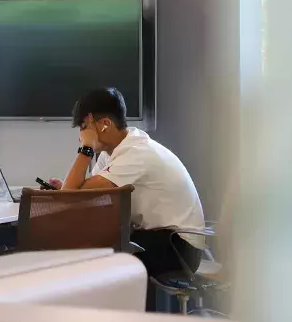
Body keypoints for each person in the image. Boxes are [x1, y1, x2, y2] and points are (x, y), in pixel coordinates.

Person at [57, 86, 206, 278]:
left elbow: (71, 196)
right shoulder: (112, 152)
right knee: (92, 243)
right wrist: (61, 188)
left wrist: (87, 148)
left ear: (105, 124)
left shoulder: (137, 153)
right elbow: (81, 196)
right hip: (157, 237)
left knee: (96, 252)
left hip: (180, 247)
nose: (81, 135)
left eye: (85, 127)